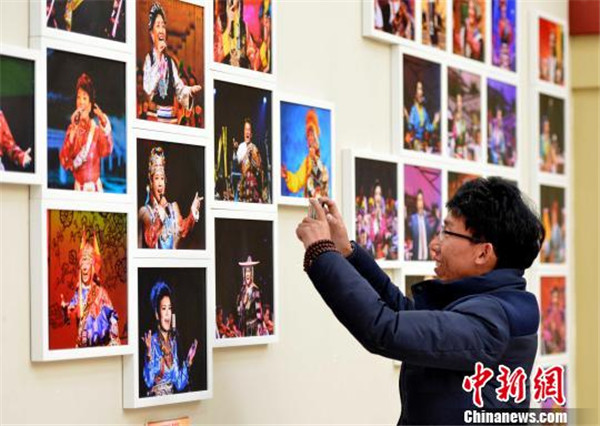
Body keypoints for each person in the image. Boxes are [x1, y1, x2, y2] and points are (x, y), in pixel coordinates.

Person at [296, 177, 544, 425]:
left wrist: (321, 252)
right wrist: (347, 254)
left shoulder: (491, 320)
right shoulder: (490, 303)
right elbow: (404, 314)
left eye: (447, 232)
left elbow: (385, 329)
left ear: (483, 253)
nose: (435, 245)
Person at [142, 2, 202, 124]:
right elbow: (148, 88)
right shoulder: (149, 59)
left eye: (163, 26)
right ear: (152, 34)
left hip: (170, 115)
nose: (161, 30)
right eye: (158, 25)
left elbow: (179, 87)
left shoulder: (170, 62)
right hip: (154, 114)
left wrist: (189, 90)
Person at [60, 229, 120, 347]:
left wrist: (113, 335)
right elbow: (71, 311)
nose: (84, 268)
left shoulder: (101, 293)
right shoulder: (78, 294)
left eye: (87, 263)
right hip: (84, 347)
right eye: (82, 264)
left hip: (101, 347)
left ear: (93, 267)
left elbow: (112, 315)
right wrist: (65, 309)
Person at [138, 146, 203, 250]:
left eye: (162, 179)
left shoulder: (173, 207)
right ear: (151, 183)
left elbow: (182, 231)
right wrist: (159, 220)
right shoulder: (145, 212)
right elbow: (150, 240)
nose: (160, 184)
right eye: (157, 178)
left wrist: (192, 212)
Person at [142, 280, 198, 396]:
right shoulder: (152, 342)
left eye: (169, 308)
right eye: (164, 308)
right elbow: (148, 381)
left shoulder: (173, 342)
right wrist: (148, 355)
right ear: (157, 314)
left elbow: (179, 383)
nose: (168, 313)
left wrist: (188, 360)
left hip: (171, 400)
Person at [59, 73, 113, 192]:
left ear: (90, 104)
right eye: (78, 97)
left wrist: (103, 121)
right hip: (79, 189)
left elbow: (107, 151)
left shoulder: (96, 130)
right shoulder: (72, 129)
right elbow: (64, 161)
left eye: (84, 98)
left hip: (95, 189)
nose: (81, 102)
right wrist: (73, 130)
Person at [281, 109, 329, 198]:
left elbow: (320, 178)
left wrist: (314, 159)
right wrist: (287, 176)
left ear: (316, 139)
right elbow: (298, 180)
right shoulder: (306, 162)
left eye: (312, 135)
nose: (310, 139)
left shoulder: (322, 162)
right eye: (308, 136)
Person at [232, 118, 265, 203]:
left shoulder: (254, 148)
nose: (247, 132)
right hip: (244, 183)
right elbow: (238, 163)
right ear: (243, 132)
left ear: (251, 134)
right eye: (246, 130)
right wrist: (240, 151)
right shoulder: (241, 147)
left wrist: (252, 158)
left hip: (253, 185)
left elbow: (259, 167)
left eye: (249, 130)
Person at [235, 256, 267, 336]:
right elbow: (239, 310)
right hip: (244, 326)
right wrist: (243, 303)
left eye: (249, 271)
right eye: (246, 271)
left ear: (252, 274)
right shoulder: (242, 290)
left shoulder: (255, 290)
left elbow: (258, 311)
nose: (247, 274)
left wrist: (260, 327)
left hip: (253, 326)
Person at [404, 81, 440, 152]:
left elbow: (428, 128)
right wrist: (406, 116)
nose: (421, 92)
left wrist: (435, 121)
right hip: (416, 144)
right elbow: (410, 127)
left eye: (422, 89)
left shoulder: (424, 111)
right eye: (419, 89)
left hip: (423, 145)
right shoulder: (413, 110)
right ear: (415, 93)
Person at [409, 190, 435, 261]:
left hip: (427, 258)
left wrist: (437, 220)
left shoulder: (427, 218)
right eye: (418, 200)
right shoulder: (413, 218)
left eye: (421, 200)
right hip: (416, 258)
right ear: (416, 203)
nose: (420, 202)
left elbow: (431, 233)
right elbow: (410, 233)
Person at [541, 286, 566, 354]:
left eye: (556, 296)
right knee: (546, 334)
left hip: (560, 335)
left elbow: (562, 324)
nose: (555, 299)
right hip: (551, 337)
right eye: (553, 296)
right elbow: (545, 324)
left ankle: (558, 348)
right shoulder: (548, 310)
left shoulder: (561, 311)